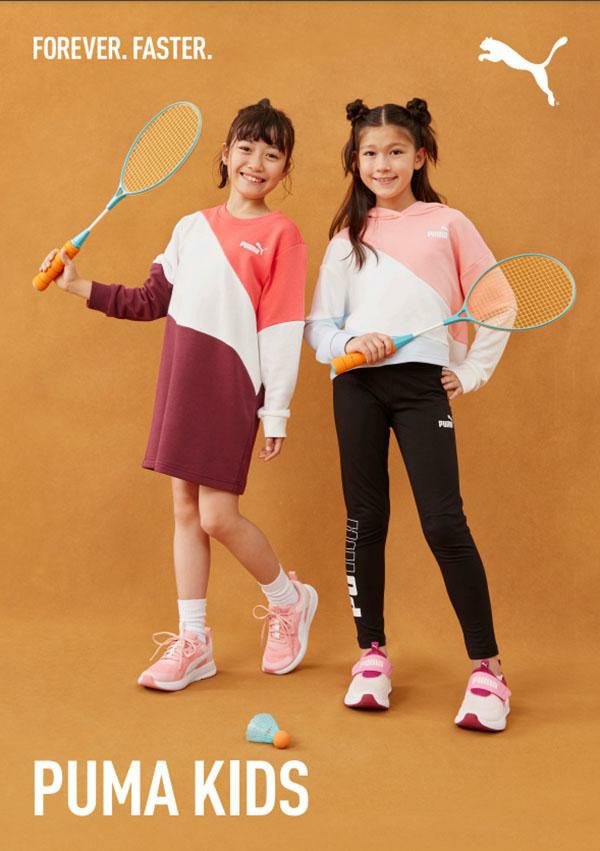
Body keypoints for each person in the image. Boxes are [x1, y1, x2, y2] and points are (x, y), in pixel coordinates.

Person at [39, 98, 318, 691]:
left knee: (218, 515)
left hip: (232, 385)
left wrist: (276, 410)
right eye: (246, 148)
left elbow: (282, 327)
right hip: (182, 384)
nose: (256, 162)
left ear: (285, 169)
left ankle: (288, 600)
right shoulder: (192, 228)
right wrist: (77, 285)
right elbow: (150, 301)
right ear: (226, 154)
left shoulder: (282, 235)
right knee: (186, 512)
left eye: (272, 154)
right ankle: (194, 642)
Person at [305, 98, 511, 731]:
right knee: (365, 521)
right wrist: (350, 342)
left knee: (444, 523)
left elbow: (497, 303)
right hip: (356, 388)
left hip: (423, 388)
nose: (382, 164)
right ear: (355, 160)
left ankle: (488, 671)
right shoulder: (345, 241)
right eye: (370, 153)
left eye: (395, 151)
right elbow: (319, 329)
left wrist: (470, 371)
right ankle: (371, 656)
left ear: (419, 156)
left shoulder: (449, 224)